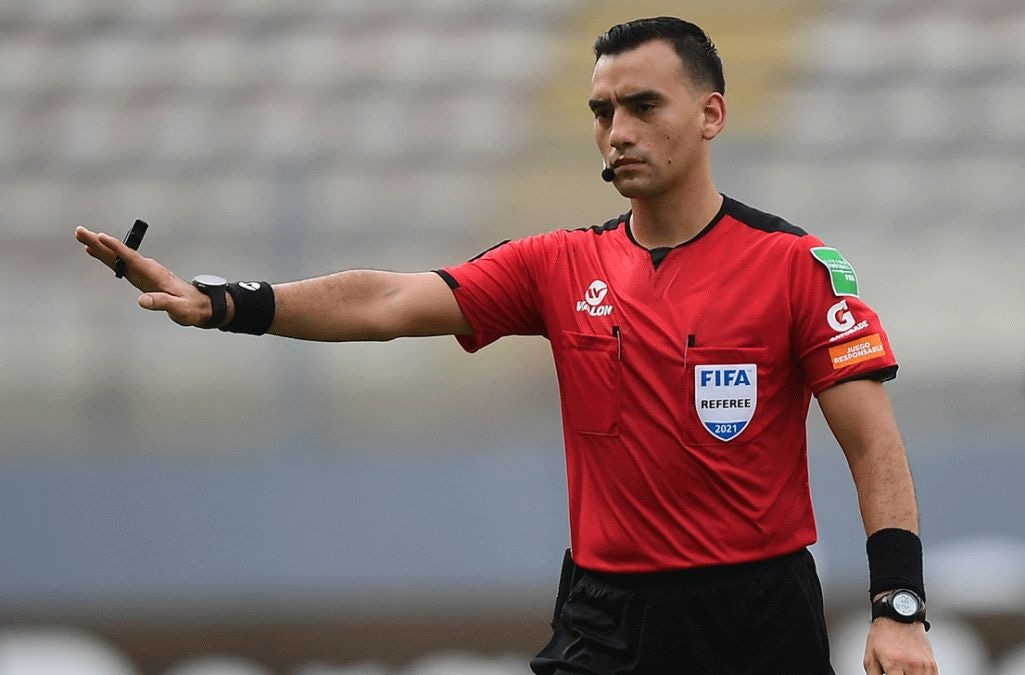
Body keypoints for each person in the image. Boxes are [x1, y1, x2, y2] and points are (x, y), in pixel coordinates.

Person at [76, 17, 936, 675]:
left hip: (756, 612)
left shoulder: (794, 266)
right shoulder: (558, 263)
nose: (617, 130)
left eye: (643, 105)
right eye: (602, 111)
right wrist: (226, 301)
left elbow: (873, 441)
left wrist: (899, 604)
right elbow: (388, 300)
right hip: (606, 613)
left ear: (711, 114)